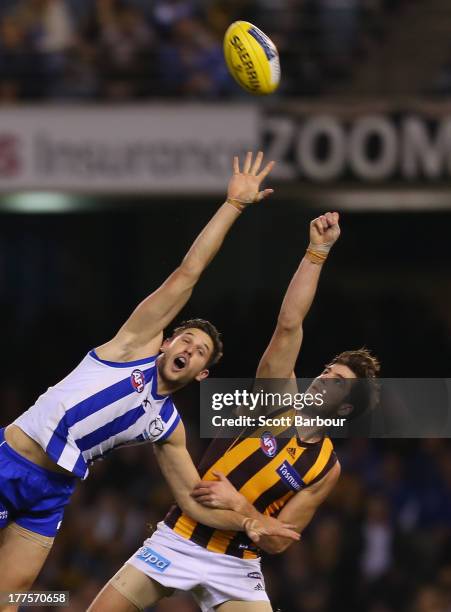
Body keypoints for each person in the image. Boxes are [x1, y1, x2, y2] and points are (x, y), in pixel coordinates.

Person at [0, 152, 299, 604]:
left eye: (199, 352)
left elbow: (194, 502)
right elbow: (188, 274)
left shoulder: (167, 427)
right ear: (164, 343)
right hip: (10, 463)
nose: (188, 349)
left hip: (52, 493)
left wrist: (248, 521)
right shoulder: (129, 348)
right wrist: (233, 206)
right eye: (184, 340)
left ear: (202, 375)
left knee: (14, 595)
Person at [88, 212, 380, 612]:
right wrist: (317, 252)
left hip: (236, 562)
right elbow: (289, 325)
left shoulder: (327, 468)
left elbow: (279, 539)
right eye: (327, 371)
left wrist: (240, 508)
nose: (322, 379)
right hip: (180, 536)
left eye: (337, 382)